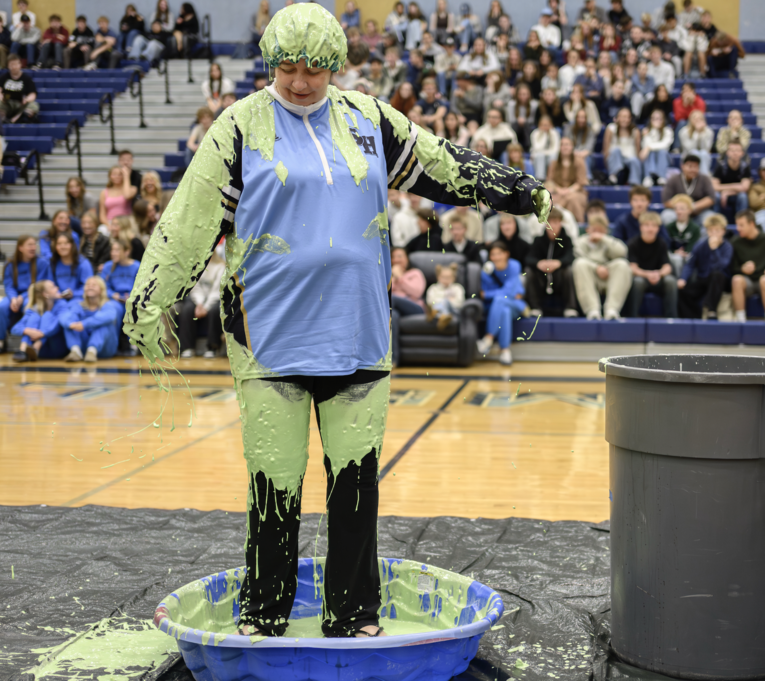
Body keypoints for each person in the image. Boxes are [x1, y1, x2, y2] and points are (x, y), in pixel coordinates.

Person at [127, 11, 547, 638]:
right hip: (268, 338)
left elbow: (442, 164)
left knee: (356, 488)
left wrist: (519, 188)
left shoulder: (369, 119)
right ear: (271, 64)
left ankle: (352, 615)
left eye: (315, 68)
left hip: (359, 333)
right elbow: (187, 221)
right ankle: (264, 615)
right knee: (275, 488)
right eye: (288, 68)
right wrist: (149, 304)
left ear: (336, 63)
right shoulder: (239, 128)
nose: (300, 82)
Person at [730, 211, 765, 323]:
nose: (737, 228)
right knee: (736, 280)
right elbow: (732, 268)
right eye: (737, 225)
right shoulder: (735, 242)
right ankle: (741, 322)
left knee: (764, 280)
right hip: (748, 282)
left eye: (741, 225)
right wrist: (742, 269)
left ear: (752, 224)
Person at [572, 215, 631, 320]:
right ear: (587, 229)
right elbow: (576, 256)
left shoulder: (610, 241)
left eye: (600, 231)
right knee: (579, 264)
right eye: (594, 230)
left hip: (609, 276)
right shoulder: (580, 242)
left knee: (623, 264)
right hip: (589, 276)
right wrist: (596, 268)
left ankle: (612, 310)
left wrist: (603, 238)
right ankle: (592, 310)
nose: (596, 234)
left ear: (606, 231)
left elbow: (622, 251)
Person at [0, 235, 51, 352]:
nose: (33, 247)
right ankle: (1, 340)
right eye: (30, 245)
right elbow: (9, 285)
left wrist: (22, 297)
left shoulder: (42, 263)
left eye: (34, 244)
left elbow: (40, 286)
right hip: (15, 295)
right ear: (20, 248)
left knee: (30, 306)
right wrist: (13, 298)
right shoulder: (10, 264)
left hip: (34, 295)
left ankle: (26, 343)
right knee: (2, 306)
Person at [478, 240, 525, 366]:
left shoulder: (514, 265)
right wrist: (503, 293)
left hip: (515, 303)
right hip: (496, 307)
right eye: (493, 254)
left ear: (506, 254)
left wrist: (489, 294)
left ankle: (488, 338)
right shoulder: (486, 271)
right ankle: (505, 351)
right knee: (504, 310)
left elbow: (507, 292)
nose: (496, 257)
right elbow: (507, 292)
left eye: (500, 253)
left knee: (500, 300)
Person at [678, 212, 733, 319]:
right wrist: (683, 279)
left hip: (721, 281)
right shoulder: (700, 245)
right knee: (682, 291)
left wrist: (715, 249)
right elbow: (690, 264)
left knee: (717, 275)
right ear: (707, 231)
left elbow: (722, 265)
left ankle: (711, 310)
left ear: (723, 231)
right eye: (711, 230)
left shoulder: (727, 246)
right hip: (703, 279)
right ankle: (693, 317)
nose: (714, 233)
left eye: (717, 230)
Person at [525, 208, 576, 317]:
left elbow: (571, 256)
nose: (552, 226)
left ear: (561, 223)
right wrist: (539, 263)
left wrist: (558, 263)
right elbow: (529, 258)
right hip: (542, 278)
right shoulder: (538, 240)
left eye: (555, 222)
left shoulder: (567, 240)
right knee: (529, 271)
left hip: (559, 278)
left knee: (568, 270)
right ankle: (535, 307)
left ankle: (570, 307)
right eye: (549, 222)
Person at [176, 246, 225, 358]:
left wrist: (205, 307)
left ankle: (212, 347)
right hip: (198, 299)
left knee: (215, 310)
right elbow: (195, 288)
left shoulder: (221, 267)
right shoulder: (195, 267)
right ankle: (187, 348)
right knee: (187, 309)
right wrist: (199, 304)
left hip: (214, 299)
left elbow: (217, 291)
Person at [626, 212, 677, 318]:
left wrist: (658, 274)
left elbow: (667, 267)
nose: (650, 229)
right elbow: (633, 268)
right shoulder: (633, 243)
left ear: (658, 228)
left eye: (654, 226)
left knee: (671, 281)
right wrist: (648, 274)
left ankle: (672, 318)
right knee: (637, 282)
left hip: (657, 279)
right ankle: (632, 317)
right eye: (647, 225)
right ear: (641, 227)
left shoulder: (661, 243)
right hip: (641, 278)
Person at [60, 276, 119, 363]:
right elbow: (63, 317)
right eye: (87, 284)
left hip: (105, 349)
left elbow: (110, 316)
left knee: (105, 323)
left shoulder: (109, 305)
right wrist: (70, 324)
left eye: (94, 285)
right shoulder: (78, 305)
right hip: (84, 348)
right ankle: (75, 351)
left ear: (101, 290)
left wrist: (84, 324)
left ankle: (92, 350)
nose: (90, 286)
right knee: (70, 323)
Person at [10, 279, 69, 362]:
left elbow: (58, 325)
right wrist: (28, 331)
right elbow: (15, 329)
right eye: (53, 287)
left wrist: (42, 333)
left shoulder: (62, 304)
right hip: (41, 352)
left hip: (57, 349)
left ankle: (36, 347)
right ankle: (22, 351)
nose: (57, 288)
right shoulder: (34, 309)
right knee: (34, 317)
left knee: (46, 316)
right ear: (46, 294)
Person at [712, 142, 752, 223]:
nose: (735, 153)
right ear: (727, 152)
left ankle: (742, 223)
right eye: (732, 150)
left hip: (736, 195)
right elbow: (714, 187)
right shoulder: (721, 166)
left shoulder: (745, 167)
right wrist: (737, 186)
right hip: (722, 195)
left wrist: (727, 192)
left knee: (743, 196)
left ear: (742, 153)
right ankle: (716, 223)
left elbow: (745, 187)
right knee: (716, 196)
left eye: (737, 150)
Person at [604, 107, 641, 186]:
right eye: (623, 117)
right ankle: (613, 176)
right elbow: (606, 149)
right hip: (614, 158)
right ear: (617, 118)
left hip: (629, 159)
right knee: (616, 150)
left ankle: (634, 183)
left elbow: (637, 151)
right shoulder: (611, 128)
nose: (625, 119)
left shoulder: (635, 131)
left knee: (635, 160)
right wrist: (607, 164)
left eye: (628, 117)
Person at [50, 233, 92, 301]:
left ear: (72, 245)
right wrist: (57, 294)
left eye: (66, 243)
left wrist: (74, 293)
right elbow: (49, 285)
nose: (62, 246)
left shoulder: (83, 263)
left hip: (79, 299)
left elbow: (90, 287)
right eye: (59, 244)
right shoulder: (53, 263)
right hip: (58, 299)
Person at [424, 262, 465, 330]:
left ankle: (434, 314)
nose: (446, 280)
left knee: (445, 301)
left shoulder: (458, 288)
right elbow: (430, 301)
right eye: (443, 277)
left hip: (453, 310)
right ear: (438, 277)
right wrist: (442, 302)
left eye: (448, 277)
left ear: (453, 278)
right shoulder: (433, 288)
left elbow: (460, 303)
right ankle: (442, 317)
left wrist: (446, 302)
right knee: (439, 304)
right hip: (436, 307)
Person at [640, 109, 673, 187]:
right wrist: (652, 131)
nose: (656, 121)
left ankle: (661, 177)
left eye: (659, 118)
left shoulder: (668, 130)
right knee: (649, 152)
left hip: (664, 158)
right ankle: (648, 177)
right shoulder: (646, 131)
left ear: (663, 120)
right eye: (654, 118)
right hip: (650, 157)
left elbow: (665, 145)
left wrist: (649, 147)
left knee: (661, 151)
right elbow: (645, 146)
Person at [0, 55, 36, 123]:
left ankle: (20, 118)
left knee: (34, 105)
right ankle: (2, 119)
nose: (14, 67)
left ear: (20, 64)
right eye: (11, 65)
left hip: (21, 104)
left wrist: (27, 99)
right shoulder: (3, 78)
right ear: (8, 66)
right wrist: (1, 97)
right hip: (7, 103)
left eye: (16, 64)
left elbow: (32, 94)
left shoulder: (27, 78)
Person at [529, 115, 559, 181]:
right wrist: (544, 135)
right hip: (538, 154)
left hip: (550, 154)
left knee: (554, 156)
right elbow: (537, 148)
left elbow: (556, 149)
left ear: (551, 125)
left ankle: (551, 179)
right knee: (540, 155)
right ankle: (540, 179)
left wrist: (546, 153)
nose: (545, 127)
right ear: (539, 125)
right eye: (543, 125)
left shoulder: (554, 133)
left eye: (547, 125)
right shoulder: (535, 133)